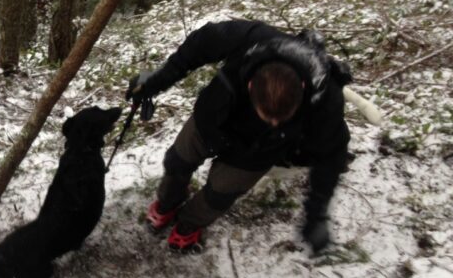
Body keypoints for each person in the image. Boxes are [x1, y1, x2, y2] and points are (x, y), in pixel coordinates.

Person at [127, 19, 352, 254]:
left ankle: (190, 223)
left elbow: (331, 155)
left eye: (281, 119)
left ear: (303, 89)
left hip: (258, 151)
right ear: (251, 84)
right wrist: (155, 81)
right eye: (266, 116)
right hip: (212, 118)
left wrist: (316, 214)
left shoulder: (326, 99)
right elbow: (198, 45)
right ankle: (167, 203)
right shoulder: (249, 39)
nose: (273, 122)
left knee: (219, 194)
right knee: (177, 161)